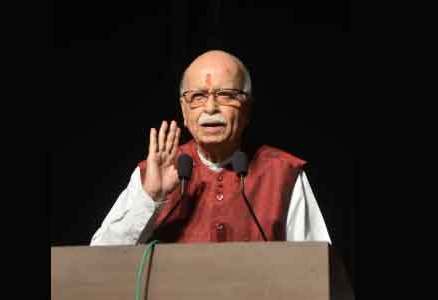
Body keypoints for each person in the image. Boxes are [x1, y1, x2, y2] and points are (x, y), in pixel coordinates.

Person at [91, 50, 331, 245]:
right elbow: (100, 261)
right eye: (198, 96)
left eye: (226, 95)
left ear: (247, 109)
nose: (210, 108)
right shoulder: (152, 174)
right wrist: (151, 197)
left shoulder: (282, 173)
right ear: (184, 111)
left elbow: (316, 268)